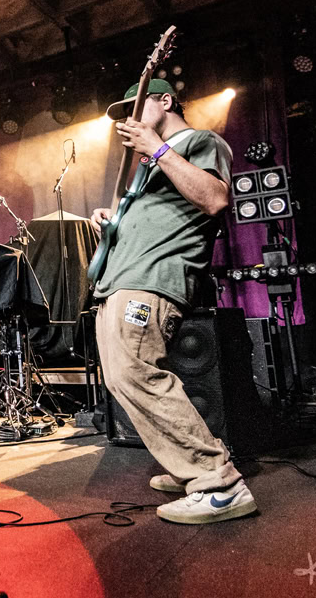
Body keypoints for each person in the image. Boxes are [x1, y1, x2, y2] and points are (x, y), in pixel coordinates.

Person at [89, 79, 254, 524]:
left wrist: (158, 148)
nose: (130, 117)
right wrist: (115, 220)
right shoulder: (150, 164)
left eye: (137, 105)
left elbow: (215, 198)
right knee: (123, 377)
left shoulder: (200, 142)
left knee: (135, 372)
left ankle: (218, 484)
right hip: (124, 277)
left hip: (152, 278)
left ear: (165, 100)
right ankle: (189, 466)